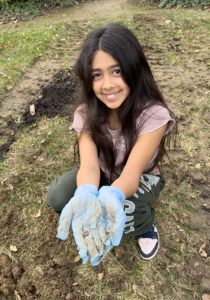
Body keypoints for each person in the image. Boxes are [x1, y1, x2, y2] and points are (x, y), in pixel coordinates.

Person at [46, 23, 176, 265]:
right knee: (59, 195)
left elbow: (131, 174)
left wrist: (112, 195)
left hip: (141, 177)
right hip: (104, 173)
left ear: (134, 69)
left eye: (117, 71)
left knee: (128, 211)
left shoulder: (153, 115)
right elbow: (89, 167)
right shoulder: (85, 113)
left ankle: (145, 225)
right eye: (97, 75)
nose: (107, 85)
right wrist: (87, 193)